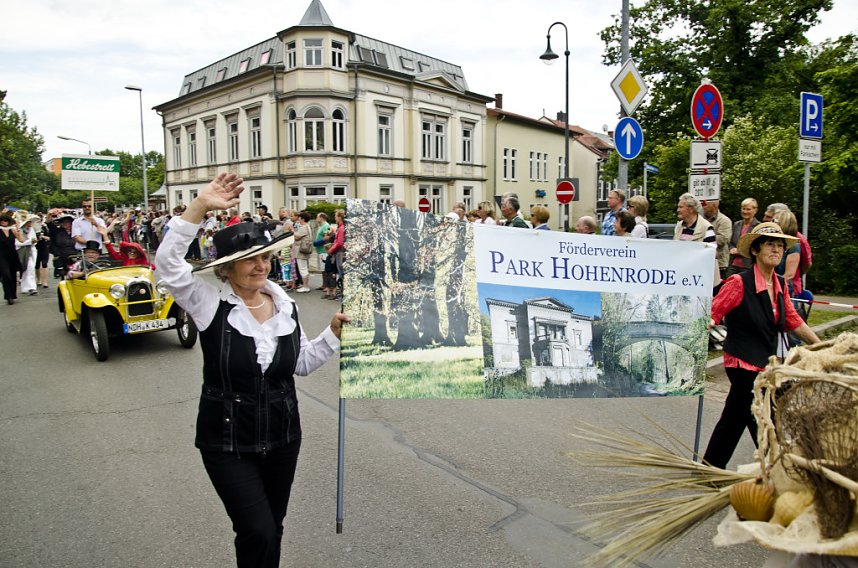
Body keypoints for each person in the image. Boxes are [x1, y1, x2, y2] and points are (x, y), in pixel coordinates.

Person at [154, 173, 348, 568]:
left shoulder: (286, 305)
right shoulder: (208, 303)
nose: (260, 266)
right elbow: (168, 265)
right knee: (256, 528)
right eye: (248, 260)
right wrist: (199, 206)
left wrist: (331, 334)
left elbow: (299, 365)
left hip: (282, 436)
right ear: (227, 269)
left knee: (270, 528)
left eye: (264, 257)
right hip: (226, 441)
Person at [702, 222, 819, 469]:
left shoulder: (778, 285)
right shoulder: (738, 282)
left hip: (764, 362)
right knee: (762, 414)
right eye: (769, 244)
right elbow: (714, 312)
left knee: (736, 417)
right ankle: (778, 468)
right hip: (742, 361)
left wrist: (823, 347)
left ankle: (711, 467)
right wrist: (707, 323)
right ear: (755, 250)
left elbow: (793, 320)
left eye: (779, 245)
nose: (776, 250)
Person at [727, 197, 760, 276]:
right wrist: (731, 249)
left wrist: (741, 251)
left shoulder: (758, 226)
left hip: (749, 265)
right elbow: (731, 242)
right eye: (743, 209)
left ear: (755, 210)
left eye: (748, 209)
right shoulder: (736, 224)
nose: (745, 211)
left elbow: (757, 246)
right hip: (733, 265)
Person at [703, 199, 732, 280]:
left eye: (705, 205)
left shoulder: (724, 221)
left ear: (714, 206)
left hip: (719, 265)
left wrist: (702, 237)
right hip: (703, 263)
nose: (703, 207)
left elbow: (722, 239)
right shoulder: (700, 220)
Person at [0, 214, 23, 304]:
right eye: (1, 220)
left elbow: (21, 240)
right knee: (6, 275)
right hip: (1, 256)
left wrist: (18, 230)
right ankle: (8, 295)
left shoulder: (12, 230)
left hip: (12, 255)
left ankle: (12, 295)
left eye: (5, 220)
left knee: (13, 275)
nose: (3, 222)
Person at [16, 215, 39, 295]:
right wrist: (29, 242)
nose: (30, 223)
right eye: (29, 222)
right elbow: (17, 243)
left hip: (31, 251)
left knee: (30, 268)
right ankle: (28, 287)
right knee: (26, 269)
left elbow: (34, 239)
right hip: (22, 252)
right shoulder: (19, 231)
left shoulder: (31, 229)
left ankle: (30, 287)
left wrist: (34, 241)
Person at [291, 211, 312, 293]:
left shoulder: (304, 227)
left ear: (302, 219)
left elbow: (296, 237)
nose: (298, 219)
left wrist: (292, 231)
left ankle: (305, 286)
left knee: (302, 269)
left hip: (301, 251)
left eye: (300, 218)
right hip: (305, 249)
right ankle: (305, 285)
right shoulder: (307, 226)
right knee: (304, 268)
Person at [35, 214, 51, 288]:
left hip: (44, 246)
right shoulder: (33, 228)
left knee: (45, 263)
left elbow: (49, 237)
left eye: (39, 219)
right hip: (35, 247)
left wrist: (42, 236)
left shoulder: (44, 227)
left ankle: (45, 281)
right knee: (37, 264)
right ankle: (39, 280)